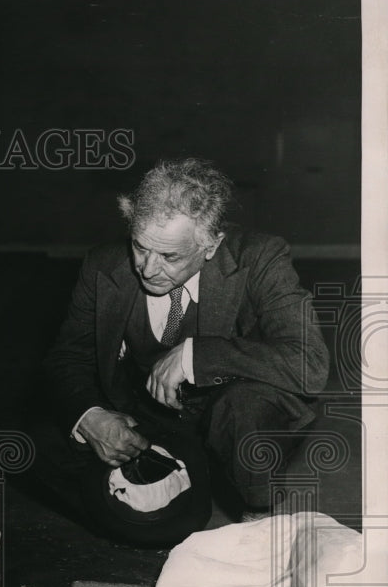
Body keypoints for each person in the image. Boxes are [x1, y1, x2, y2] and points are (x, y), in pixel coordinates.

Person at [39, 158, 329, 547]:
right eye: (140, 248)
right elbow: (67, 359)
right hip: (144, 419)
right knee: (27, 442)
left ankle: (256, 508)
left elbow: (309, 364)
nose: (148, 269)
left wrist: (196, 355)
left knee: (243, 408)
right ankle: (179, 479)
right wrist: (91, 417)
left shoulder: (260, 259)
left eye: (170, 257)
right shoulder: (102, 265)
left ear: (211, 246)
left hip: (232, 417)